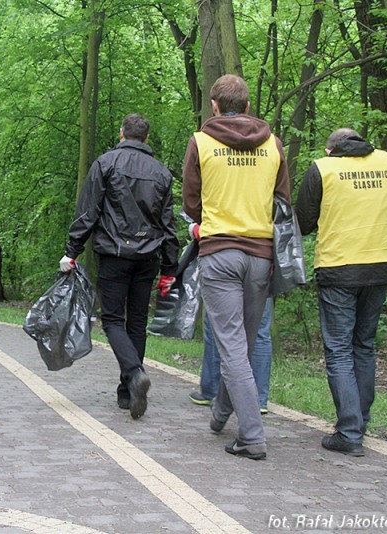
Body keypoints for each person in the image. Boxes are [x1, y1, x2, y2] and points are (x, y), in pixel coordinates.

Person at [182, 74, 290, 460]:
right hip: (261, 257)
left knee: (231, 345)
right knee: (241, 344)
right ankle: (221, 415)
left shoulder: (201, 142)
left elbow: (191, 203)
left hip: (219, 253)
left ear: (214, 105)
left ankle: (252, 437)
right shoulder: (274, 145)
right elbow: (283, 203)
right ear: (246, 106)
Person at [59, 113, 179, 420]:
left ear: (122, 133)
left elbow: (88, 212)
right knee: (137, 323)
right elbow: (168, 225)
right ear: (147, 138)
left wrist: (71, 251)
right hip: (148, 257)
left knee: (112, 320)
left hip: (114, 254)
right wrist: (170, 267)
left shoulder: (105, 163)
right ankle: (127, 393)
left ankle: (134, 374)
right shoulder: (162, 173)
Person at [296, 128, 387, 457]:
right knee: (364, 346)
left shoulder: (323, 169)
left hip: (338, 267)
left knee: (339, 350)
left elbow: (303, 221)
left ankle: (349, 431)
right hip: (380, 264)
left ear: (331, 149)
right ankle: (361, 421)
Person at [190, 297, 273, 414]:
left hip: (226, 281)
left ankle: (212, 392)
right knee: (260, 332)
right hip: (260, 280)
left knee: (216, 325)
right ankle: (258, 400)